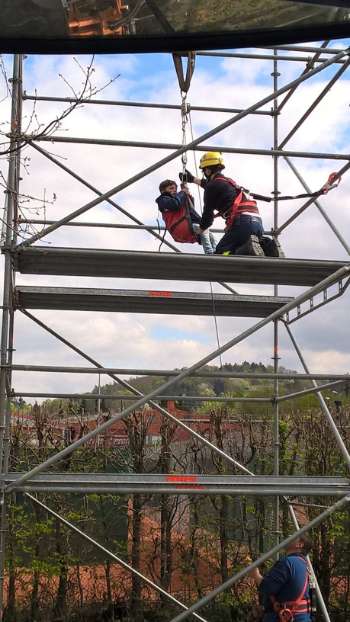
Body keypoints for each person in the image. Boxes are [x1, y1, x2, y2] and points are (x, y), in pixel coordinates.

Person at [180, 151, 268, 256]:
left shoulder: (212, 186)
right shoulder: (228, 182)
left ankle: (250, 249)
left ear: (207, 171)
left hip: (243, 223)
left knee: (222, 254)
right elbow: (209, 185)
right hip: (257, 224)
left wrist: (200, 230)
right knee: (239, 248)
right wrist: (193, 179)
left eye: (204, 171)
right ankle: (268, 246)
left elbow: (208, 217)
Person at [249, 534, 313, 622]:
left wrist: (255, 575)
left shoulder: (287, 563)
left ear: (300, 544)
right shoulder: (305, 566)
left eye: (293, 536)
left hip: (284, 618)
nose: (289, 536)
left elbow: (267, 587)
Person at [156, 178, 216, 254]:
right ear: (163, 191)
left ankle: (217, 251)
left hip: (186, 226)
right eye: (171, 188)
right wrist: (183, 192)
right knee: (202, 229)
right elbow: (174, 205)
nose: (174, 190)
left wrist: (186, 193)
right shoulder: (162, 200)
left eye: (175, 189)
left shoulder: (179, 198)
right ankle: (209, 252)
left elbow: (190, 209)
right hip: (179, 226)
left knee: (209, 235)